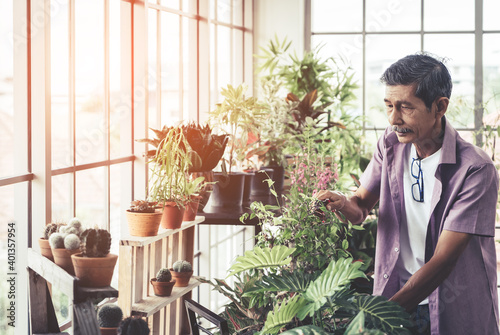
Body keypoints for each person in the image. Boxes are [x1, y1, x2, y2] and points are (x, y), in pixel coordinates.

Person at [315, 54, 499, 335]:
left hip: (450, 307)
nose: (393, 118)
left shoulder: (475, 169)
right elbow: (360, 206)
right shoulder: (390, 145)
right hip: (395, 293)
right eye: (388, 105)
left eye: (405, 107)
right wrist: (341, 202)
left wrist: (380, 315)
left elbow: (443, 261)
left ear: (439, 107)